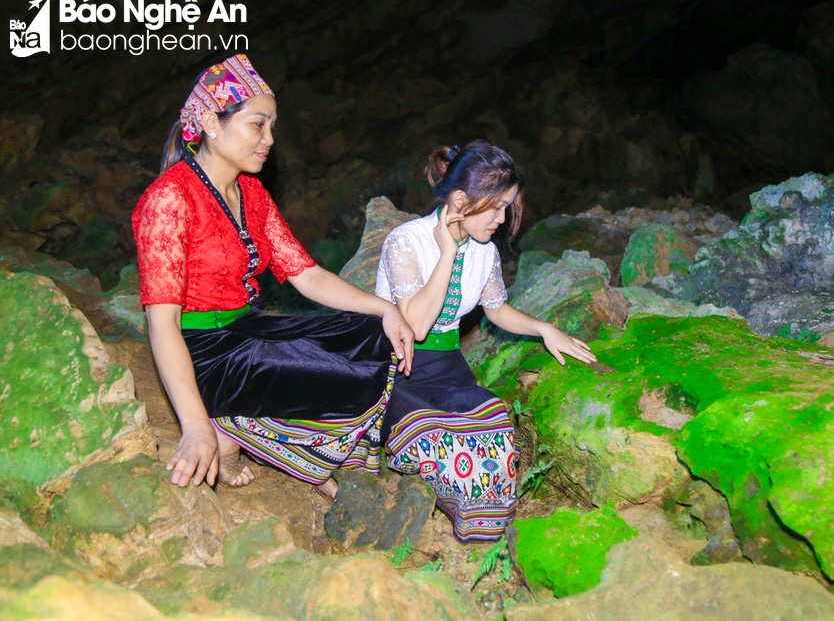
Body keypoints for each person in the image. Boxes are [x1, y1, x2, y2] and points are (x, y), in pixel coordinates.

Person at [132, 54, 414, 495]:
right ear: (211, 121)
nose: (269, 139)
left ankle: (282, 439)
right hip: (202, 351)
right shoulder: (169, 200)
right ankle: (231, 431)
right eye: (257, 125)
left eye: (272, 127)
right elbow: (161, 322)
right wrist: (192, 426)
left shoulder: (251, 191)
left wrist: (385, 309)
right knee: (349, 377)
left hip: (247, 328)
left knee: (375, 335)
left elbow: (307, 274)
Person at [375, 140, 596, 541]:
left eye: (508, 206)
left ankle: (481, 521)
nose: (502, 217)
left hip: (448, 370)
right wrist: (446, 254)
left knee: (494, 429)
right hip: (396, 369)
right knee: (439, 441)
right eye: (495, 206)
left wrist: (545, 328)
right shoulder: (406, 242)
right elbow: (416, 326)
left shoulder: (485, 251)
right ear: (460, 199)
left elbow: (496, 310)